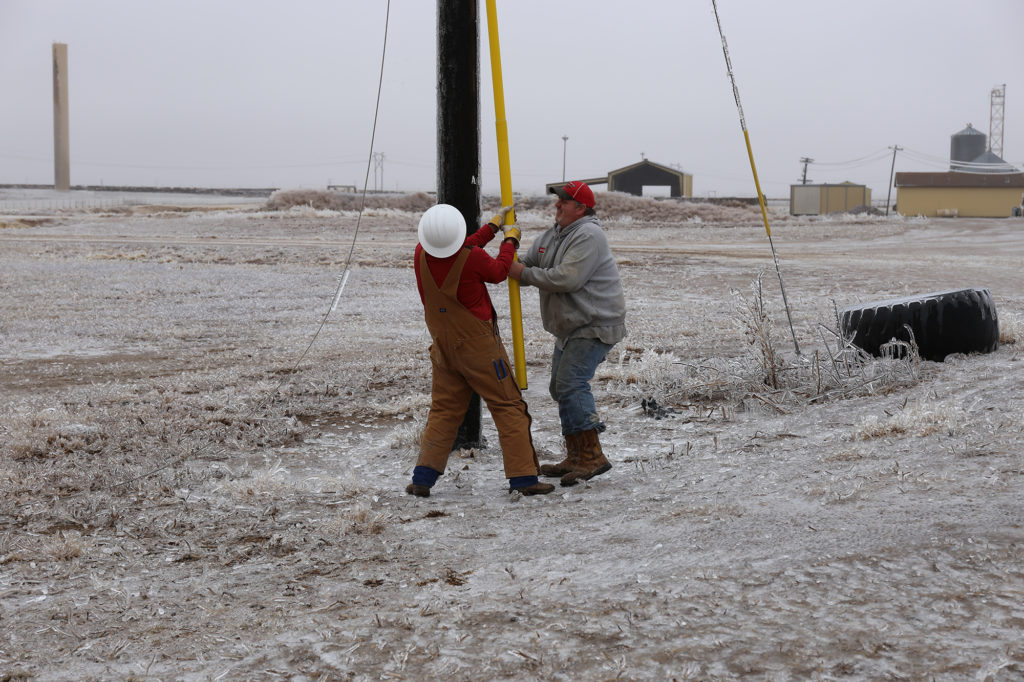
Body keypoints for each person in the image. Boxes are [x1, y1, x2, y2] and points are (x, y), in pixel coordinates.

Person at [406, 203, 554, 498]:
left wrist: (491, 228)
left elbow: (460, 249)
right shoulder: (471, 259)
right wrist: (510, 241)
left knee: (444, 410)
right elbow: (499, 270)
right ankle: (524, 479)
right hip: (479, 348)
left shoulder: (421, 253)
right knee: (508, 406)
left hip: (443, 346)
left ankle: (422, 478)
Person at [509, 180, 626, 486]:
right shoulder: (553, 235)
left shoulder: (589, 234)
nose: (557, 205)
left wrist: (523, 273)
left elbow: (568, 278)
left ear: (581, 208)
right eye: (557, 200)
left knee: (571, 385)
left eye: (564, 201)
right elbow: (527, 266)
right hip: (572, 326)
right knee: (559, 389)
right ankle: (576, 455)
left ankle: (592, 456)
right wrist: (506, 259)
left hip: (594, 324)